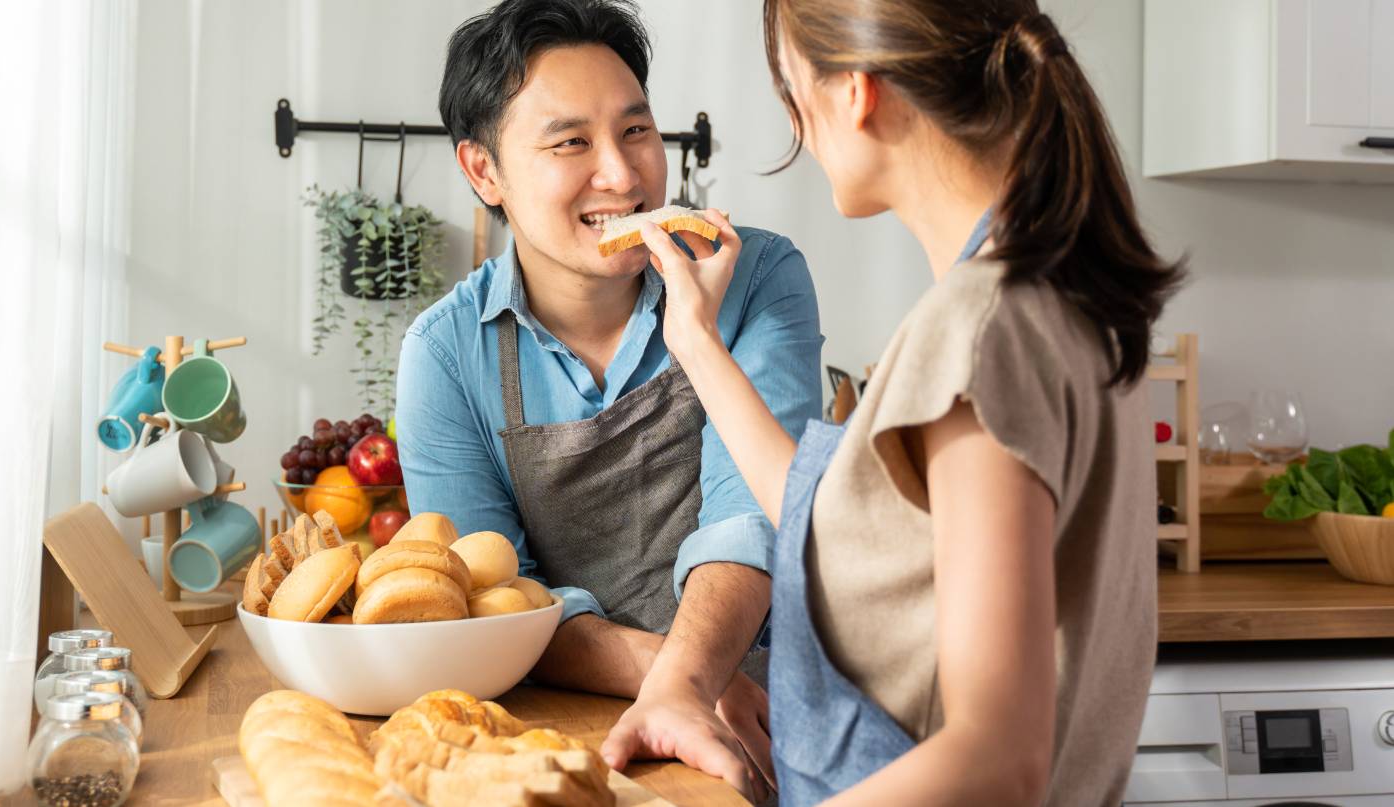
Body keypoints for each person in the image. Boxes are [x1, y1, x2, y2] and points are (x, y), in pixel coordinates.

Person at [617, 0, 1184, 804]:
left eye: (791, 91)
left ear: (854, 90)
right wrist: (696, 339)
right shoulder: (1061, 295)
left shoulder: (980, 327)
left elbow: (999, 758)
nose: (797, 129)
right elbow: (853, 540)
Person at [395, 0, 821, 798]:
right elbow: (493, 600)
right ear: (484, 171)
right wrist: (678, 678)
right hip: (581, 733)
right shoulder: (445, 354)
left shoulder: (757, 278)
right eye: (570, 143)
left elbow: (753, 511)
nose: (624, 176)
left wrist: (691, 681)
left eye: (636, 130)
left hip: (777, 717)